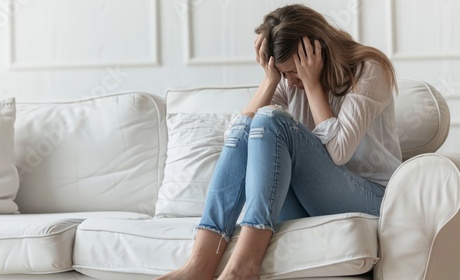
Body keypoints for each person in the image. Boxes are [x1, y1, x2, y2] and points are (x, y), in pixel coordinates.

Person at [155, 4, 402, 280]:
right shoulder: (285, 80)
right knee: (259, 122)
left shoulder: (369, 69)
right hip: (312, 199)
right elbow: (239, 139)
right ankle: (199, 265)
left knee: (271, 120)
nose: (291, 81)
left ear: (316, 52)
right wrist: (270, 79)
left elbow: (338, 152)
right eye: (284, 74)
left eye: (293, 72)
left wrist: (312, 84)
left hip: (371, 197)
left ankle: (244, 267)